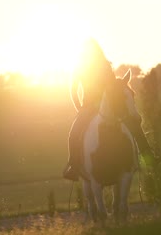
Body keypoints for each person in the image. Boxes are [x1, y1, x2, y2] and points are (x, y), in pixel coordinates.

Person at [63, 39, 153, 181]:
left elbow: (112, 86)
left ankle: (147, 157)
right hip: (89, 107)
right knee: (74, 133)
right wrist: (79, 108)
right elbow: (74, 90)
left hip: (105, 105)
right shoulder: (83, 67)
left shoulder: (103, 66)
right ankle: (74, 165)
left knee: (134, 123)